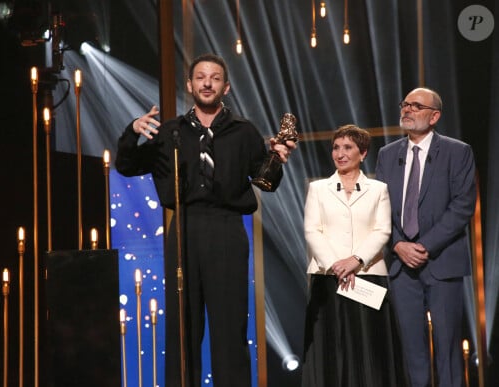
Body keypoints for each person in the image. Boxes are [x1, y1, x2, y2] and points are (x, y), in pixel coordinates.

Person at [115, 53, 296, 387]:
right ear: (189, 84)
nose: (207, 82)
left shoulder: (244, 132)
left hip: (227, 229)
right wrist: (132, 132)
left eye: (214, 77)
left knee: (230, 327)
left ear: (225, 87)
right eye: (200, 77)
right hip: (183, 228)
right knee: (183, 326)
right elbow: (126, 165)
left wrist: (278, 159)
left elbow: (266, 183)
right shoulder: (171, 131)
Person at [375, 87, 476, 387]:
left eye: (416, 106)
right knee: (412, 350)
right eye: (404, 104)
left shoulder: (458, 152)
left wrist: (423, 246)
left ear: (435, 116)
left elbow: (462, 206)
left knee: (447, 349)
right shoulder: (387, 154)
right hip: (401, 267)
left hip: (442, 263)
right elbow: (379, 207)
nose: (406, 110)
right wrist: (397, 244)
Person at [302, 124, 407, 387]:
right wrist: (336, 265)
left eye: (347, 147)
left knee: (369, 349)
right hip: (328, 277)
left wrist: (355, 260)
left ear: (363, 152)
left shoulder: (378, 189)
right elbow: (312, 231)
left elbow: (382, 231)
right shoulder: (318, 189)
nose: (340, 153)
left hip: (368, 277)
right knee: (329, 347)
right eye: (336, 148)